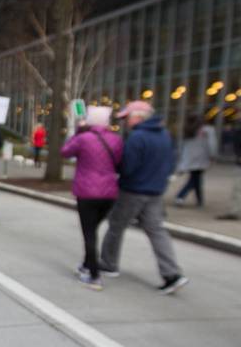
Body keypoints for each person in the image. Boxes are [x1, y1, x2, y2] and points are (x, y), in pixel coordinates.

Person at [99, 100, 188, 294]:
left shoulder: (137, 137)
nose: (126, 122)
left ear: (138, 117)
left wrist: (116, 168)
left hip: (133, 190)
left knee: (116, 226)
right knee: (156, 231)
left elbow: (128, 167)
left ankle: (108, 264)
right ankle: (172, 273)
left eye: (127, 118)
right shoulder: (164, 135)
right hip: (155, 191)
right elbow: (171, 162)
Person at [61, 105, 123, 290]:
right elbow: (119, 161)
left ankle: (93, 274)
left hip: (87, 192)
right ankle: (88, 264)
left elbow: (65, 152)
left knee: (89, 233)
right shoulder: (116, 140)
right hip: (109, 192)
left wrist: (79, 131)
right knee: (92, 230)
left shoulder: (83, 139)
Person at [174, 114, 217, 207]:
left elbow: (182, 145)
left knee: (196, 179)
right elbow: (212, 144)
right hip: (201, 158)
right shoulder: (207, 130)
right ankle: (180, 196)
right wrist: (212, 156)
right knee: (194, 179)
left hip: (189, 158)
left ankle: (199, 200)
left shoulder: (188, 129)